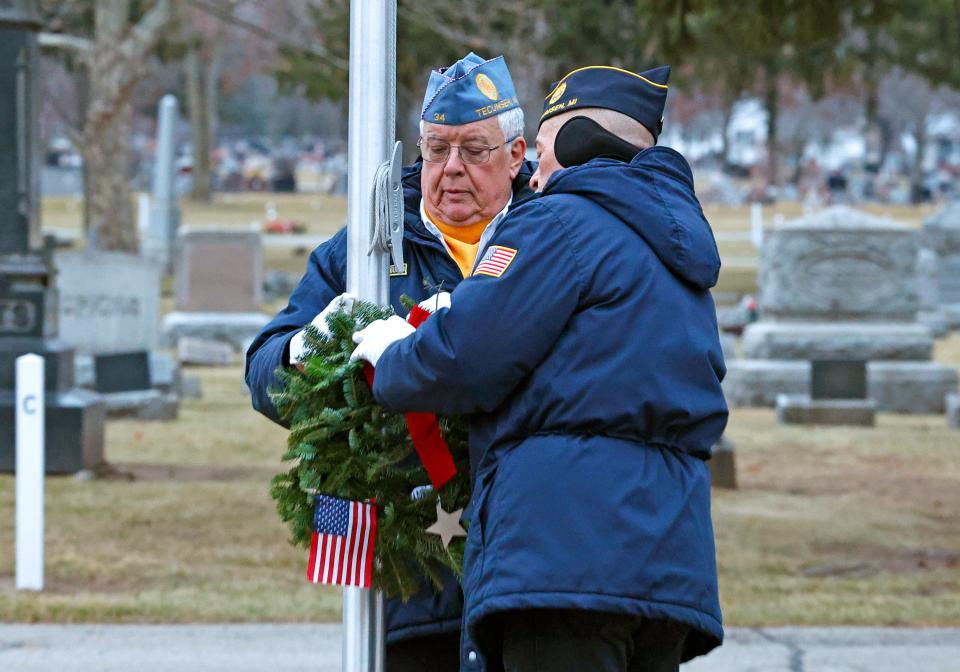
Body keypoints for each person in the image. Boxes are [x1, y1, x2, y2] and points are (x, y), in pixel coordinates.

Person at [351, 64, 727, 672]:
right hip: (667, 561)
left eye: (544, 152)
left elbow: (465, 356)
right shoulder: (674, 246)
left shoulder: (559, 222)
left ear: (579, 147)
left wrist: (393, 354)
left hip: (565, 555)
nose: (533, 173)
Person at [245, 52, 532, 671]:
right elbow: (261, 373)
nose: (451, 169)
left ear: (516, 155)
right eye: (436, 149)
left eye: (475, 149)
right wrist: (306, 352)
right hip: (407, 573)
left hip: (526, 562)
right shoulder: (366, 248)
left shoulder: (549, 238)